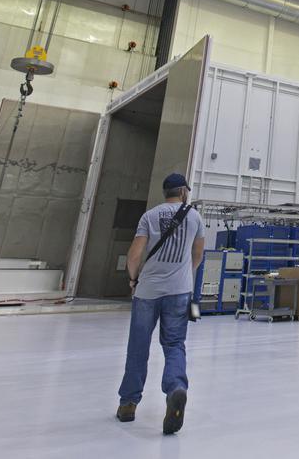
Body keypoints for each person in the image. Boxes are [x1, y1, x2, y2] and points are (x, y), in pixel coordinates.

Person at [117, 173, 205, 435]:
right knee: (175, 343)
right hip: (179, 291)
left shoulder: (150, 216)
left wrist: (133, 279)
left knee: (138, 345)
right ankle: (176, 387)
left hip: (148, 291)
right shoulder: (195, 217)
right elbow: (198, 254)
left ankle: (128, 404)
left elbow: (134, 255)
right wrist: (185, 274)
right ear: (184, 192)